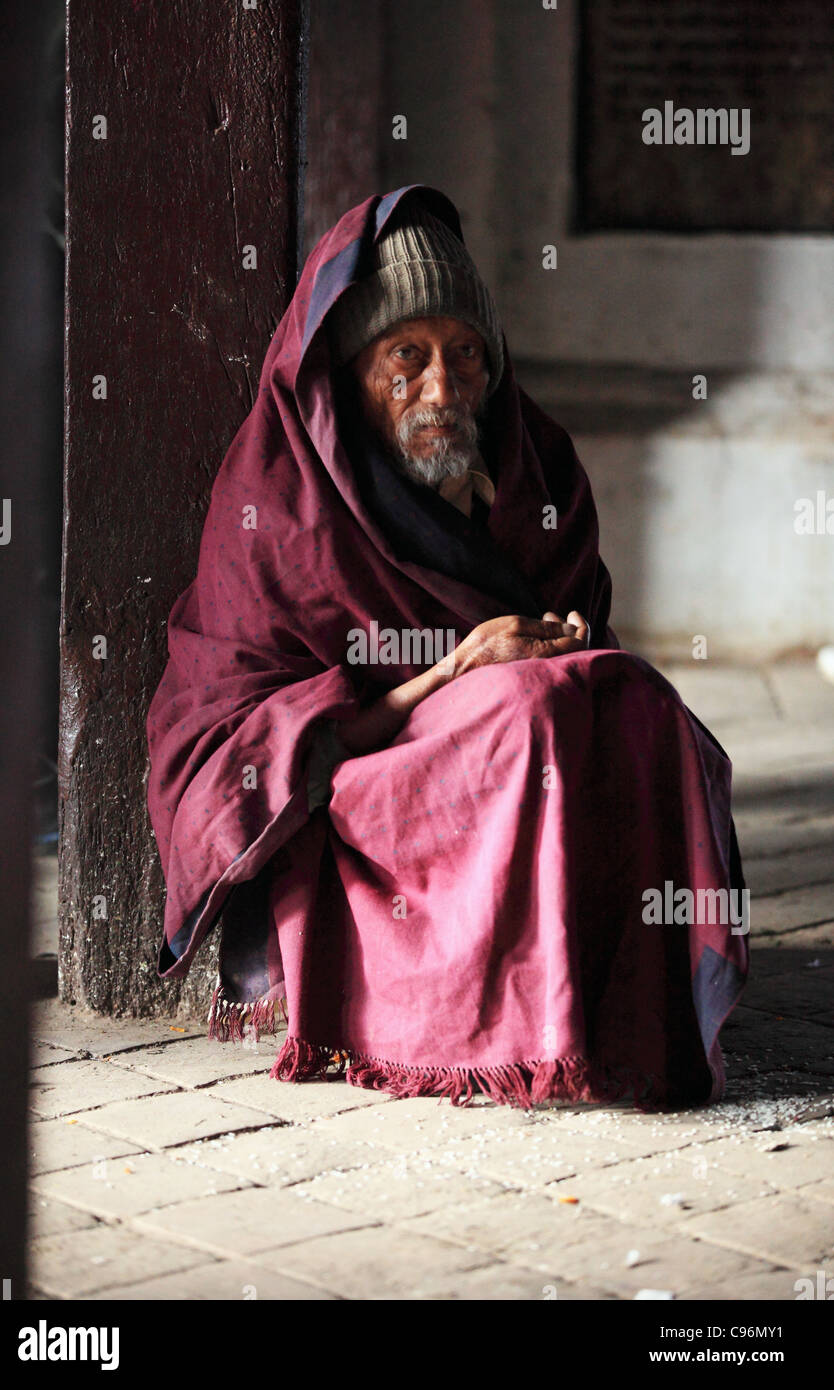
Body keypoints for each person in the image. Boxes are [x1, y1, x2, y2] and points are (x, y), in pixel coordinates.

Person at [146, 185, 748, 1109]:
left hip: (500, 749)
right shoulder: (282, 494)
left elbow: (582, 626)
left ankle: (633, 1004)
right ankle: (507, 1028)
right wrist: (458, 668)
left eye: (466, 354)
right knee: (527, 707)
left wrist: (569, 643)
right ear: (352, 370)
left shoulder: (533, 468)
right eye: (407, 357)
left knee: (634, 698)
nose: (442, 389)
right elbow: (237, 741)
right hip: (367, 788)